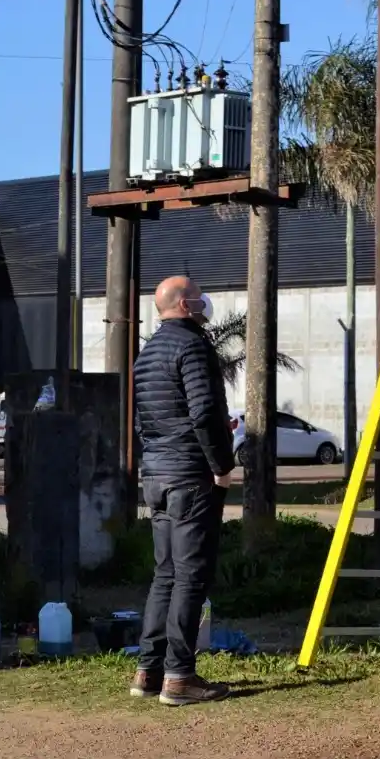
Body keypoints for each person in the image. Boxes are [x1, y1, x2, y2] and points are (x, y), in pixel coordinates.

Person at [130, 277, 236, 706]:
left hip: (156, 475)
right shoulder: (192, 346)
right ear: (184, 304)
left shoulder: (147, 353)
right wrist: (221, 466)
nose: (203, 300)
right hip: (191, 475)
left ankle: (148, 670)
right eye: (197, 295)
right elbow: (205, 410)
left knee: (165, 575)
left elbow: (144, 419)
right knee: (191, 576)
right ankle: (180, 677)